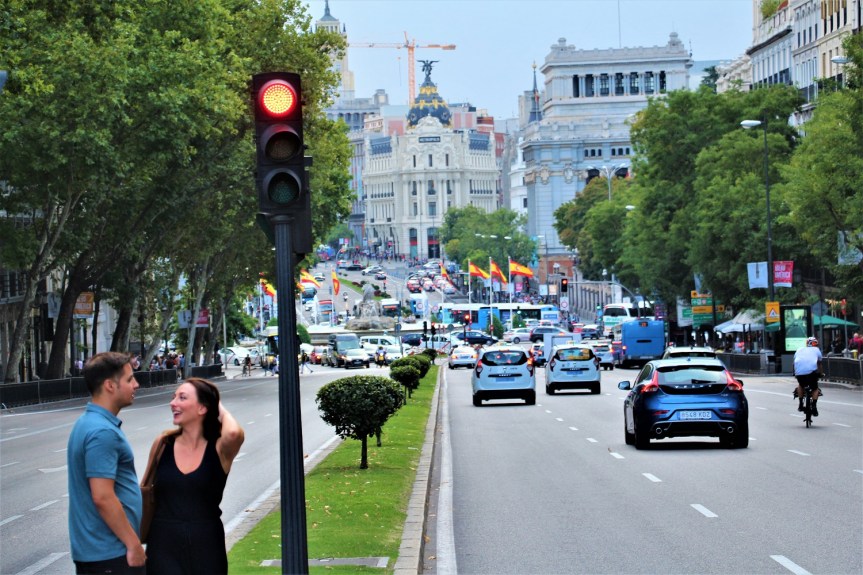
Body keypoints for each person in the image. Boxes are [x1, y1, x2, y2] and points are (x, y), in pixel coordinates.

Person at [145, 378, 244, 575]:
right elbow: (146, 488)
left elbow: (233, 433)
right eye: (173, 397)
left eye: (182, 398)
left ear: (202, 408)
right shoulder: (163, 443)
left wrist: (217, 405)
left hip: (206, 545)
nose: (173, 403)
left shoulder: (219, 449)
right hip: (163, 544)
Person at [67, 352, 146, 574]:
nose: (136, 384)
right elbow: (102, 497)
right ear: (110, 385)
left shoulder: (87, 422)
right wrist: (133, 544)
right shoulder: (102, 432)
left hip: (100, 553)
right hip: (111, 554)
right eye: (129, 379)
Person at [793, 336, 823, 416]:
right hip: (811, 373)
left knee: (801, 385)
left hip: (799, 373)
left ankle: (800, 404)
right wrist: (821, 373)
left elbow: (794, 362)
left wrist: (795, 373)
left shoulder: (799, 349)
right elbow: (819, 363)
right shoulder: (817, 350)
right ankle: (814, 406)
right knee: (815, 388)